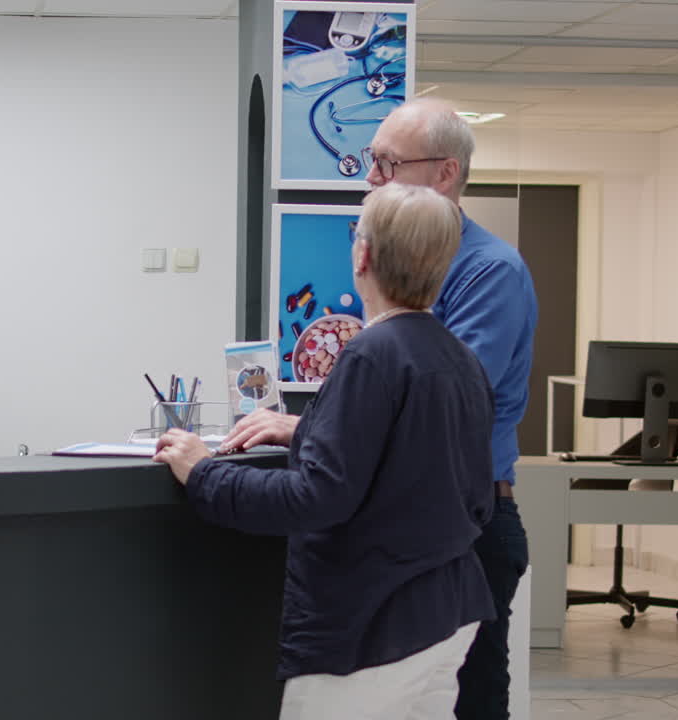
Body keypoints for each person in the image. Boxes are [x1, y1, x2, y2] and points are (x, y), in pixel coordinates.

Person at [224, 98, 537, 720]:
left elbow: (438, 406)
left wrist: (305, 428)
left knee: (469, 700)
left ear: (446, 173)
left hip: (464, 525)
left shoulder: (487, 274)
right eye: (372, 162)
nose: (371, 177)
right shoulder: (390, 337)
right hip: (413, 524)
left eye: (389, 164)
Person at [155, 183, 496, 720]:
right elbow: (445, 476)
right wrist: (311, 429)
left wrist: (203, 473)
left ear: (362, 255)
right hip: (446, 614)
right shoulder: (457, 358)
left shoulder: (370, 355)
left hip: (374, 626)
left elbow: (313, 498)